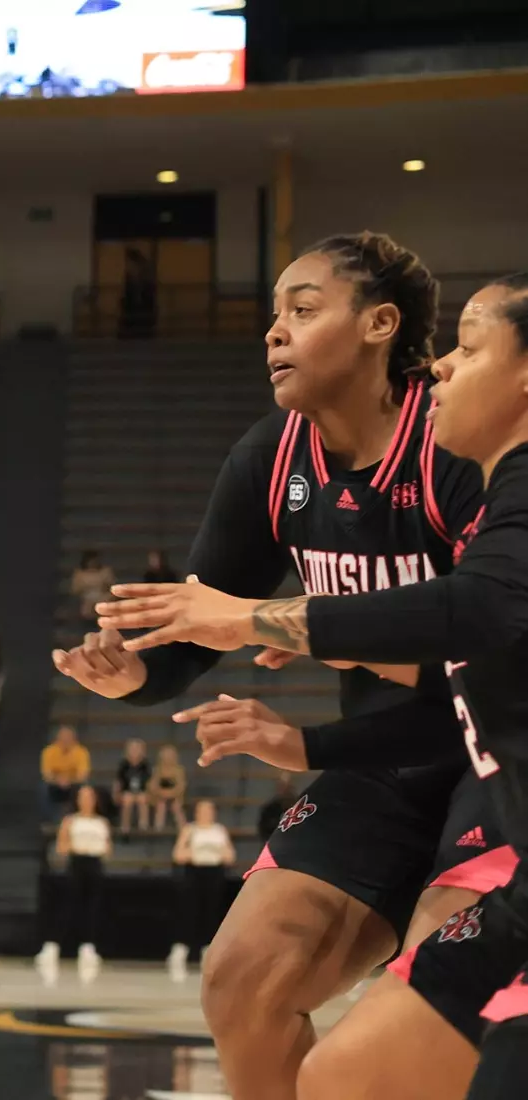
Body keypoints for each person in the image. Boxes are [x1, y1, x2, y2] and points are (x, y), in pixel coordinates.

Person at [53, 234, 506, 1100]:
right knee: (241, 979)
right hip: (378, 758)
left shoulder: (457, 440)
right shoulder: (269, 458)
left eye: (301, 309)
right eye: (273, 313)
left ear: (378, 324)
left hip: (493, 762)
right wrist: (134, 675)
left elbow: (486, 643)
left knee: (420, 1017)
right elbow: (200, 626)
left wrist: (298, 674)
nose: (273, 332)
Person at [43, 785, 111, 977]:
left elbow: (107, 847)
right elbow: (61, 846)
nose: (87, 801)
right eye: (83, 797)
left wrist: (97, 848)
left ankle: (88, 947)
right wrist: (78, 846)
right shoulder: (70, 820)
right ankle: (52, 946)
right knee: (68, 905)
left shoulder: (102, 822)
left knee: (92, 907)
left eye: (90, 797)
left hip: (95, 865)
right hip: (76, 864)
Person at [170, 799, 237, 978]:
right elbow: (178, 854)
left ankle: (208, 952)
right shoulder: (190, 829)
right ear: (196, 812)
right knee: (189, 912)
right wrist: (196, 854)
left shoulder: (219, 830)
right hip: (194, 873)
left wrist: (218, 854)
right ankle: (180, 951)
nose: (206, 813)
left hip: (214, 875)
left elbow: (230, 855)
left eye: (209, 810)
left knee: (211, 913)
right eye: (203, 810)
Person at [40, 724, 91, 811]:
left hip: (74, 784)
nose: (65, 741)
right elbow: (46, 774)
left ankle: (78, 813)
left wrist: (68, 780)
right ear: (57, 739)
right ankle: (47, 817)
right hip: (54, 784)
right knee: (42, 788)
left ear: (74, 739)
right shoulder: (48, 751)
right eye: (62, 738)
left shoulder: (81, 752)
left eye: (68, 738)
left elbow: (83, 775)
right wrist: (58, 780)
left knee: (84, 788)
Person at [113, 738, 152, 834]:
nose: (134, 751)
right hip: (127, 792)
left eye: (137, 749)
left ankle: (143, 825)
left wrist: (150, 794)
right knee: (127, 799)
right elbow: (118, 782)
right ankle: (125, 826)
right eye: (132, 749)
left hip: (141, 792)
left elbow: (150, 782)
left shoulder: (145, 765)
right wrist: (116, 794)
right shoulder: (123, 765)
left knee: (142, 799)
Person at [149, 743, 188, 831]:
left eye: (170, 755)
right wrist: (161, 793)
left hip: (176, 796)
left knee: (176, 805)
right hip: (159, 796)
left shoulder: (179, 770)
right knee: (161, 804)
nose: (168, 758)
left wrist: (170, 793)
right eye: (165, 755)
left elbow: (181, 786)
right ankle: (158, 828)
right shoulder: (157, 770)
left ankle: (183, 828)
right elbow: (153, 786)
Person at [71, 550, 115, 624]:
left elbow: (110, 585)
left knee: (107, 599)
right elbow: (75, 589)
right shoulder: (79, 573)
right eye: (91, 561)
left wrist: (104, 587)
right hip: (86, 596)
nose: (93, 563)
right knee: (86, 606)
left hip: (102, 594)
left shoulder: (106, 571)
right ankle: (89, 621)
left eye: (95, 560)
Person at [257, 775, 297, 839]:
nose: (285, 790)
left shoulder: (299, 805)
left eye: (287, 787)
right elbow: (263, 830)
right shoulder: (269, 808)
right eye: (282, 786)